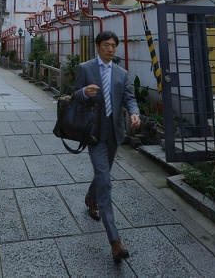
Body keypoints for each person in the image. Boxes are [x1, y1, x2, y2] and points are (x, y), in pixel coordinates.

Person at [73, 30, 141, 263]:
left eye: (114, 45)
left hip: (115, 133)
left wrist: (134, 113)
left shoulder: (122, 73)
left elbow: (129, 98)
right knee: (105, 179)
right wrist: (83, 92)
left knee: (103, 175)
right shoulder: (85, 69)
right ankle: (115, 242)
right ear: (97, 46)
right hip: (94, 134)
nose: (110, 49)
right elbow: (72, 96)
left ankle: (91, 198)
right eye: (106, 45)